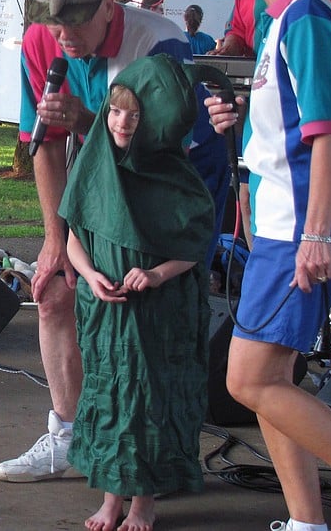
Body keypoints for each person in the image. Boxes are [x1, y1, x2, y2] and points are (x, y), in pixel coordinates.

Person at [0, 0, 228, 483]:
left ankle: (151, 460)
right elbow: (44, 145)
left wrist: (84, 119)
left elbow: (161, 156)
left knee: (141, 324)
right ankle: (69, 437)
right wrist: (56, 241)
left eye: (77, 23)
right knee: (54, 293)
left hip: (162, 204)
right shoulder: (40, 43)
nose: (66, 38)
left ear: (109, 5)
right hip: (93, 195)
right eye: (55, 27)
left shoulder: (158, 44)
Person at [207, 0, 331, 531]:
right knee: (273, 382)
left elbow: (328, 134)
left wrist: (316, 234)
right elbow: (290, 125)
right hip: (281, 229)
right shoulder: (286, 17)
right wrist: (235, 114)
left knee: (248, 381)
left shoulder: (310, 19)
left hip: (297, 233)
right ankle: (307, 523)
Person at [62, 56, 215, 531]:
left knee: (148, 400)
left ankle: (143, 502)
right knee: (109, 395)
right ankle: (111, 499)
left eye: (134, 115)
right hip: (106, 312)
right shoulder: (96, 163)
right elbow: (76, 233)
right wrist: (88, 275)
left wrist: (156, 276)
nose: (121, 123)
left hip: (157, 312)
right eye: (113, 112)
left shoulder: (175, 175)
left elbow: (193, 246)